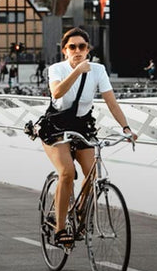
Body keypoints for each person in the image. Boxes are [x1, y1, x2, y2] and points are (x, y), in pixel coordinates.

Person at [41, 28, 137, 247]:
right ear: (64, 51)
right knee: (67, 172)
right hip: (56, 127)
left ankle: (81, 216)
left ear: (88, 50)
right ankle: (60, 226)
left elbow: (111, 102)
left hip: (83, 126)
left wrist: (126, 128)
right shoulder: (57, 69)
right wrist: (77, 71)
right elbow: (56, 93)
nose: (77, 51)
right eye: (72, 47)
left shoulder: (98, 70)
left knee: (92, 175)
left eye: (82, 47)